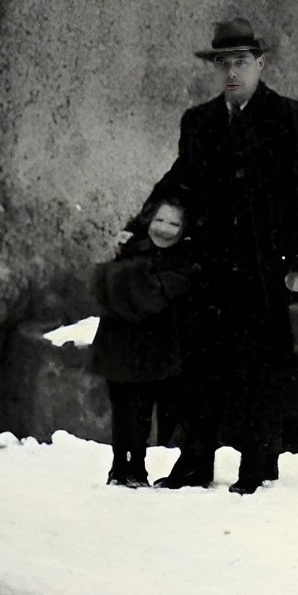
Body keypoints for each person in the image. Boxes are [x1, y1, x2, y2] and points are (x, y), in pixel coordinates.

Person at [155, 15, 298, 494]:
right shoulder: (199, 122)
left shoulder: (293, 118)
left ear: (260, 64)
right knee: (201, 369)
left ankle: (257, 465)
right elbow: (179, 184)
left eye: (241, 62)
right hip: (208, 270)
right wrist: (147, 225)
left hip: (265, 270)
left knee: (262, 368)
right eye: (223, 64)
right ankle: (195, 463)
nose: (231, 72)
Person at [89, 195, 198, 488]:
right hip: (118, 343)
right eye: (159, 220)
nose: (164, 228)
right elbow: (104, 285)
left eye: (174, 224)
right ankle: (119, 467)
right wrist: (123, 262)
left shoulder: (181, 262)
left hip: (151, 349)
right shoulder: (131, 251)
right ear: (147, 221)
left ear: (184, 230)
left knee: (140, 410)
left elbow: (145, 295)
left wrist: (123, 275)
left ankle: (136, 466)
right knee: (120, 407)